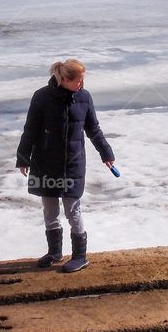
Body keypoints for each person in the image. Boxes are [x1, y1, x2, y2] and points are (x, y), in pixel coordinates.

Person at [16, 59, 115, 272]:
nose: (82, 84)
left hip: (73, 163)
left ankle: (80, 256)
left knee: (73, 210)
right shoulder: (41, 97)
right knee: (49, 210)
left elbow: (93, 129)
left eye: (83, 80)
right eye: (79, 80)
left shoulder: (84, 97)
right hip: (45, 162)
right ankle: (55, 252)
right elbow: (30, 129)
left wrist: (106, 153)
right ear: (65, 79)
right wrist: (23, 158)